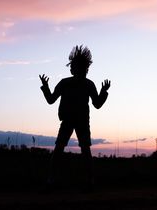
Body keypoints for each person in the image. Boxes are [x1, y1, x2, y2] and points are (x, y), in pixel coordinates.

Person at [39, 45, 111, 188]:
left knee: (84, 150)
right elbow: (51, 99)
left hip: (82, 121)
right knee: (60, 149)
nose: (74, 69)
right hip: (67, 120)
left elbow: (97, 104)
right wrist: (45, 87)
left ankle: (89, 180)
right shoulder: (65, 83)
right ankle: (51, 180)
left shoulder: (88, 84)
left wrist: (103, 91)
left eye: (78, 67)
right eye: (74, 66)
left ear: (85, 69)